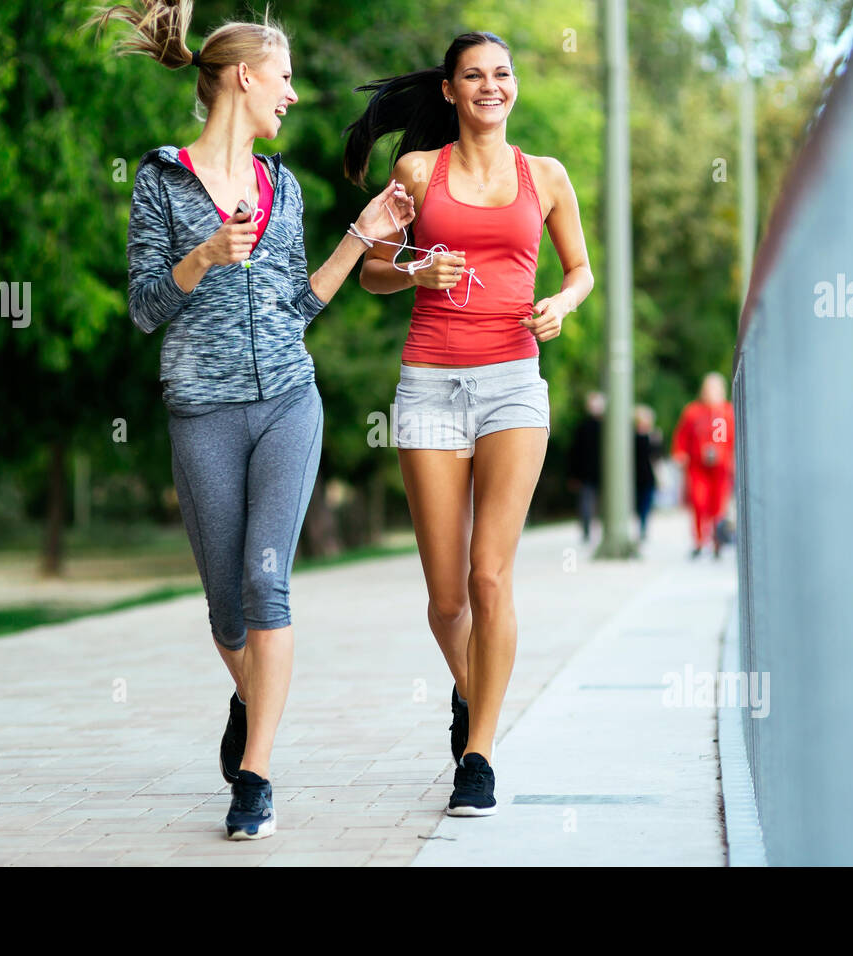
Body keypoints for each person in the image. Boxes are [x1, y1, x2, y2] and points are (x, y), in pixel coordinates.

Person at [89, 2, 414, 840]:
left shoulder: (285, 188)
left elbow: (297, 307)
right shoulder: (161, 181)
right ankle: (248, 694)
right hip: (201, 412)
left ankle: (257, 777)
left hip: (287, 405)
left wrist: (363, 235)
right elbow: (142, 308)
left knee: (268, 583)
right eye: (285, 77)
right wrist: (200, 257)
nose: (295, 96)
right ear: (244, 76)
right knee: (228, 612)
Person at [344, 31, 593, 816]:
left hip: (514, 383)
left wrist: (561, 302)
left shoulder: (546, 176)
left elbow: (581, 269)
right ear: (449, 91)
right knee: (447, 598)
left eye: (502, 74)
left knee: (491, 578)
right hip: (428, 387)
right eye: (474, 76)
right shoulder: (418, 172)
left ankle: (478, 755)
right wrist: (420, 265)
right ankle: (472, 691)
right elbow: (372, 272)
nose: (492, 86)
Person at [671, 372, 735, 558]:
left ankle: (717, 541)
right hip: (698, 466)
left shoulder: (726, 411)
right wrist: (680, 452)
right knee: (699, 502)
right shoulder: (693, 411)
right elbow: (682, 435)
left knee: (717, 505)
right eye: (708, 388)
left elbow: (730, 438)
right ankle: (699, 540)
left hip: (720, 467)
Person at [567, 392, 605, 543]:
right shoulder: (582, 427)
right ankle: (587, 531)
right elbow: (575, 452)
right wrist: (574, 474)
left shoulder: (607, 427)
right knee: (587, 503)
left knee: (590, 503)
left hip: (599, 473)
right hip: (587, 473)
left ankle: (591, 531)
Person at [633, 404, 661, 542]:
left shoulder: (654, 436)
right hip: (636, 476)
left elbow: (658, 456)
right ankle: (640, 523)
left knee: (646, 502)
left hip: (649, 475)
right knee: (639, 503)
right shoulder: (632, 436)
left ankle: (643, 526)